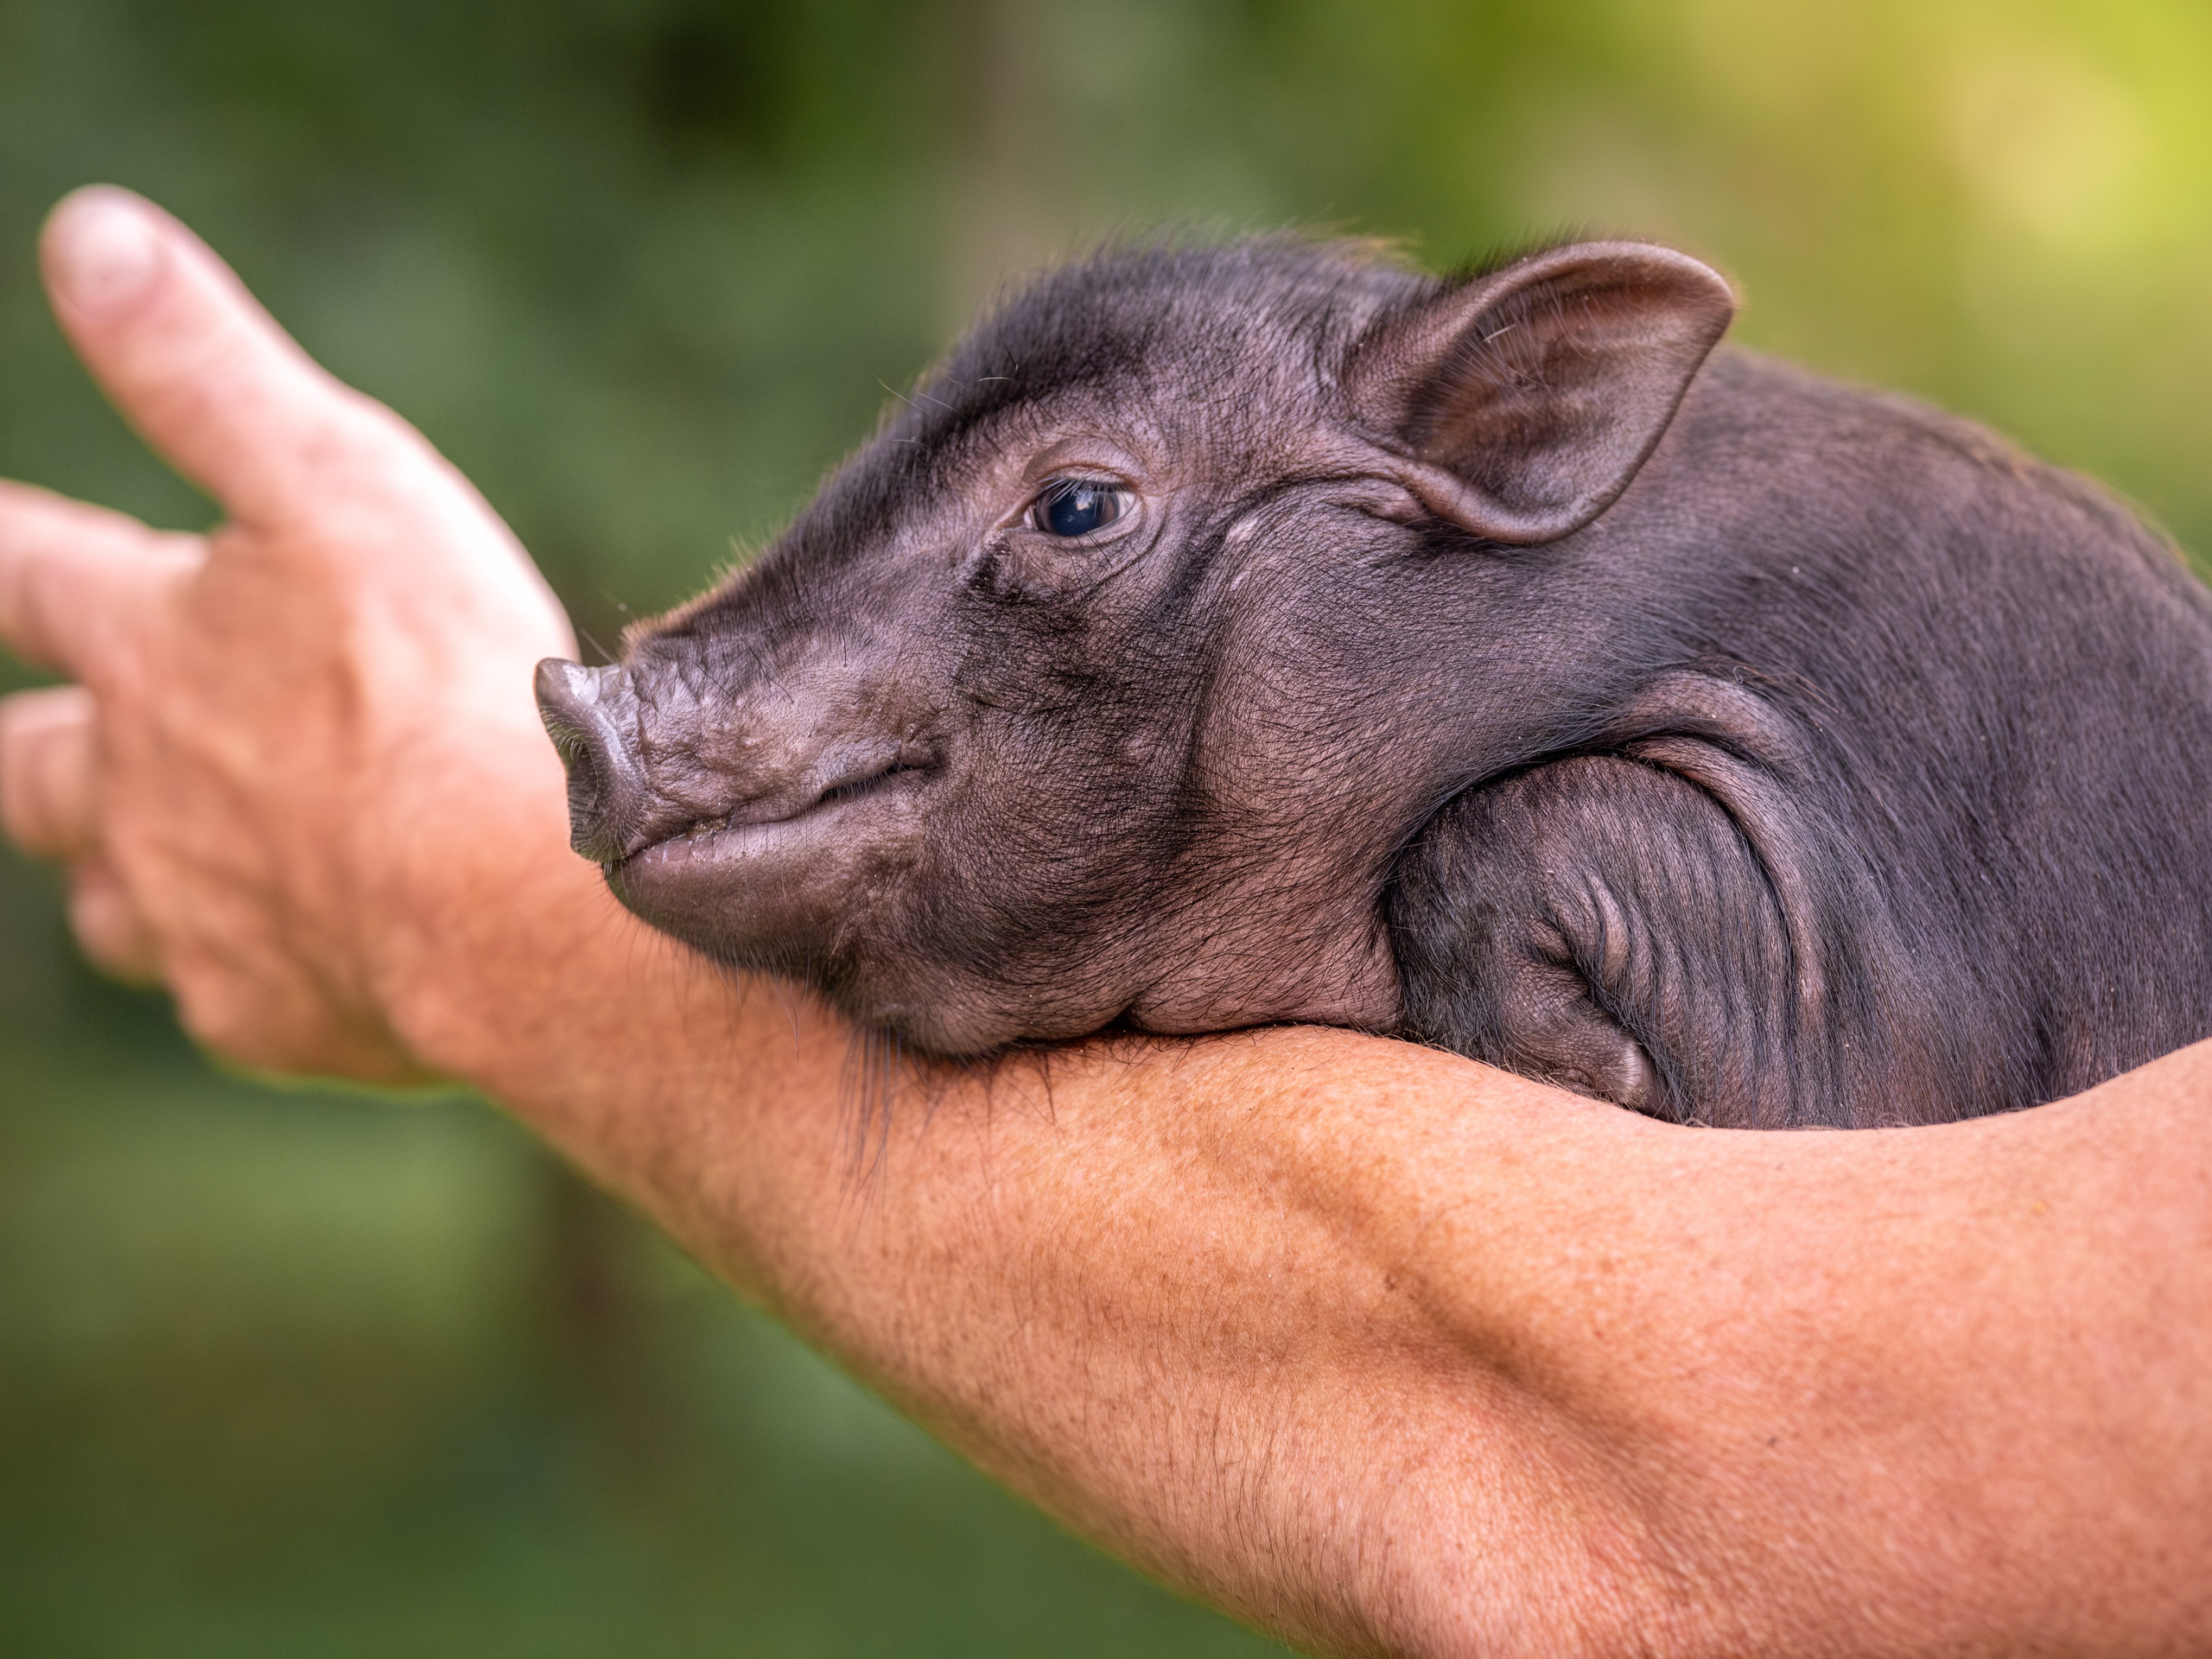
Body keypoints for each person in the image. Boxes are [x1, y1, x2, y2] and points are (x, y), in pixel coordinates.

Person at [2, 186, 2207, 1658]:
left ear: (1516, 429)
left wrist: (446, 876)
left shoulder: (1594, 850)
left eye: (1068, 518)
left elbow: (1685, 1480)